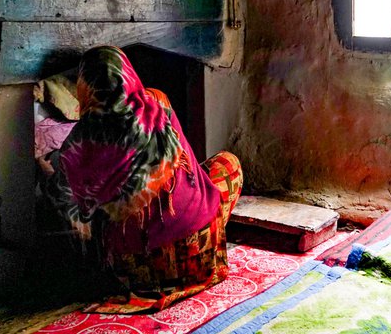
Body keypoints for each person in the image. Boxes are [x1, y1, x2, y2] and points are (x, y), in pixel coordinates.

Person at [44, 45, 243, 313]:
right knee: (226, 164)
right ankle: (198, 232)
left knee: (105, 216)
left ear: (84, 89)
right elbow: (189, 166)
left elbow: (79, 210)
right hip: (198, 253)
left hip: (131, 270)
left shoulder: (75, 146)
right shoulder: (158, 103)